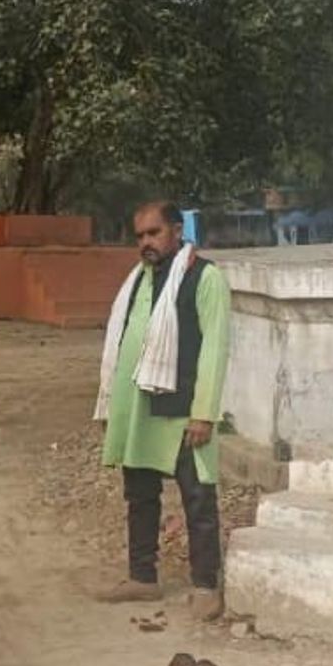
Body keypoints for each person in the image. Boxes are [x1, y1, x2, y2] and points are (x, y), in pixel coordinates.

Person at [94, 199, 231, 620]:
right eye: (139, 236)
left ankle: (207, 586)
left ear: (176, 231)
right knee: (139, 494)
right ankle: (142, 577)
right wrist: (111, 409)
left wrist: (204, 412)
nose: (146, 243)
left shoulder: (204, 278)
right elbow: (125, 341)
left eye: (154, 233)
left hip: (184, 407)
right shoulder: (138, 280)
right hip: (139, 407)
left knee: (198, 498)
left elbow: (215, 349)